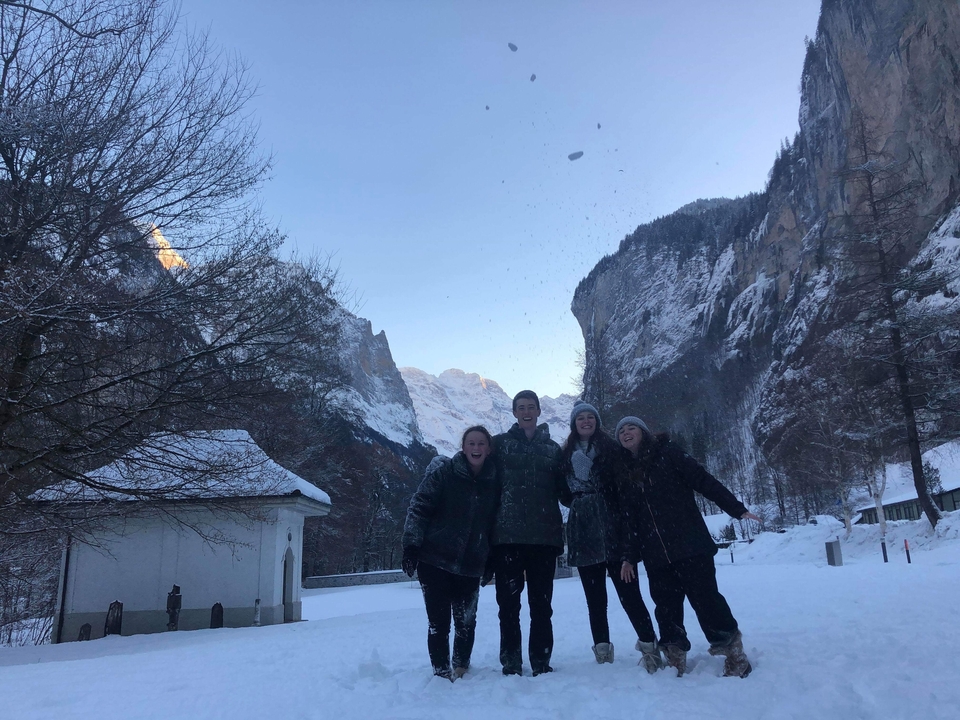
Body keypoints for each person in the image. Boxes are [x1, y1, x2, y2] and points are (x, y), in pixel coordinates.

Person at [615, 416, 761, 678]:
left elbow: (704, 481)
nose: (626, 433)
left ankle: (735, 655)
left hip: (691, 546)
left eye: (631, 427)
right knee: (666, 608)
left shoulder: (668, 453)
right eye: (621, 431)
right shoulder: (626, 474)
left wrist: (737, 509)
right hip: (656, 556)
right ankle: (675, 657)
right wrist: (628, 557)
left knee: (707, 602)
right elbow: (630, 521)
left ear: (644, 432)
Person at [560, 402, 662, 672]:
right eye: (580, 418)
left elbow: (624, 488)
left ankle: (650, 647)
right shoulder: (565, 453)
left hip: (612, 524)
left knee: (630, 594)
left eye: (590, 417)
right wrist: (580, 502)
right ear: (574, 423)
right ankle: (602, 652)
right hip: (582, 528)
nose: (585, 421)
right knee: (595, 599)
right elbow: (561, 490)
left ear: (597, 421)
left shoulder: (612, 449)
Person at [402, 426, 500, 681]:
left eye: (481, 444)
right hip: (434, 560)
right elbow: (419, 507)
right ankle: (441, 671)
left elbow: (494, 525)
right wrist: (411, 546)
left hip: (471, 564)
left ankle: (461, 666)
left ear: (488, 449)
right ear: (463, 446)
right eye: (471, 443)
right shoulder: (444, 474)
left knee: (466, 623)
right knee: (439, 623)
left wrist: (491, 560)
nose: (476, 448)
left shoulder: (494, 482)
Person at [489, 390, 568, 676]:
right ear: (514, 412)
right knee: (508, 606)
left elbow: (565, 491)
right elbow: (485, 485)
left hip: (544, 539)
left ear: (538, 411)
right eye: (521, 407)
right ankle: (511, 663)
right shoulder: (498, 445)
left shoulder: (553, 450)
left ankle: (541, 662)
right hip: (507, 538)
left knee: (541, 606)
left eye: (531, 407)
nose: (526, 412)